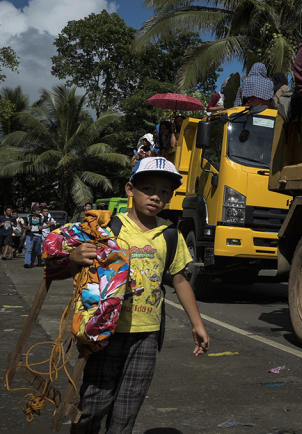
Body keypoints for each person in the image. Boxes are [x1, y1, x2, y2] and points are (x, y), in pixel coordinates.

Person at [66, 157, 209, 433]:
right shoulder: (107, 227)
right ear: (130, 189)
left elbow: (179, 279)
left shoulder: (169, 234)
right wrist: (74, 256)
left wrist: (198, 324)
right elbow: (71, 268)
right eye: (148, 188)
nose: (157, 196)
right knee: (93, 405)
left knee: (126, 412)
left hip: (147, 335)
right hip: (106, 332)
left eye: (165, 192)